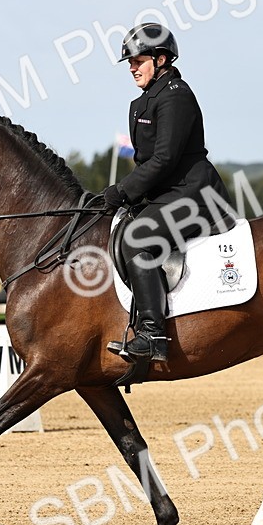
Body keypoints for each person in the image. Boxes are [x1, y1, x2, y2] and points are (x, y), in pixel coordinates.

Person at [101, 23, 232, 361]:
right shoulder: (143, 102)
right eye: (129, 62)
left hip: (197, 194)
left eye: (138, 61)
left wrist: (122, 191)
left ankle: (152, 333)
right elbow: (148, 162)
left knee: (136, 238)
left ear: (160, 59)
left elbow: (164, 159)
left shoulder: (176, 95)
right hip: (169, 193)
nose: (132, 67)